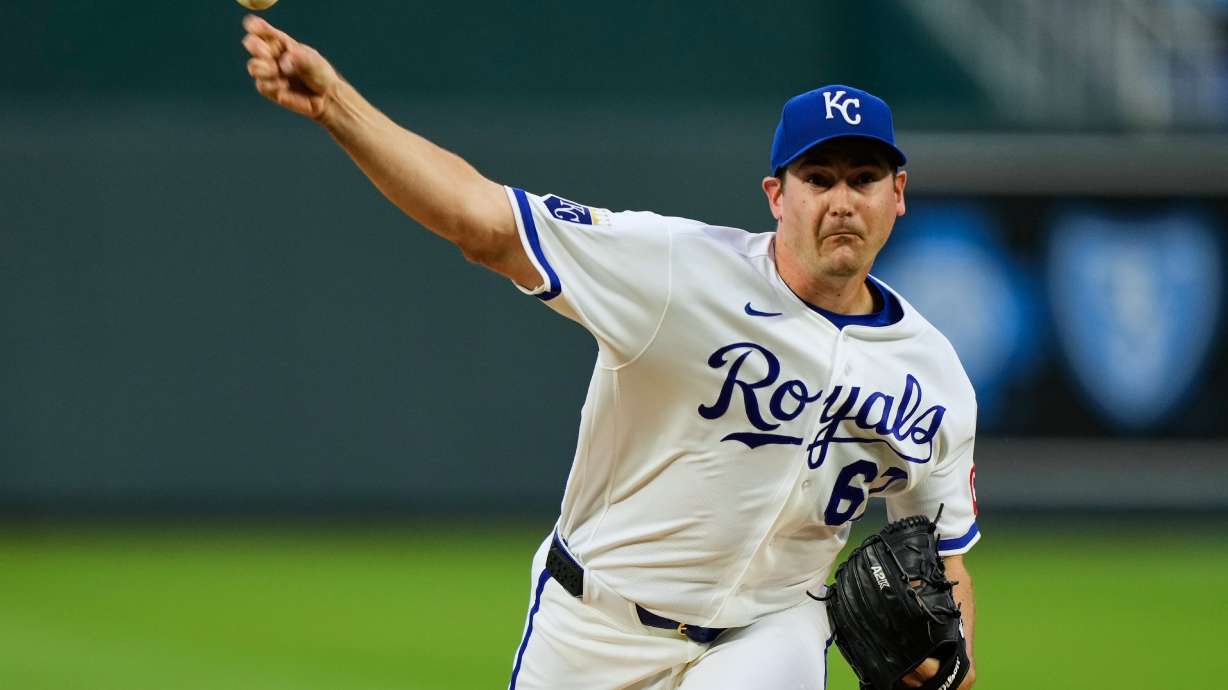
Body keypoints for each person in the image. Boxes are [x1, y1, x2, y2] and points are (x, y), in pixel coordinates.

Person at [240, 15, 979, 690]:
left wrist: (954, 664)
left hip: (770, 631)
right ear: (776, 196)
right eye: (818, 179)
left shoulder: (935, 376)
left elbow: (942, 552)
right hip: (595, 622)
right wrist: (338, 105)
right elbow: (481, 221)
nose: (842, 200)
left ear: (899, 193)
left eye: (864, 178)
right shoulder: (677, 270)